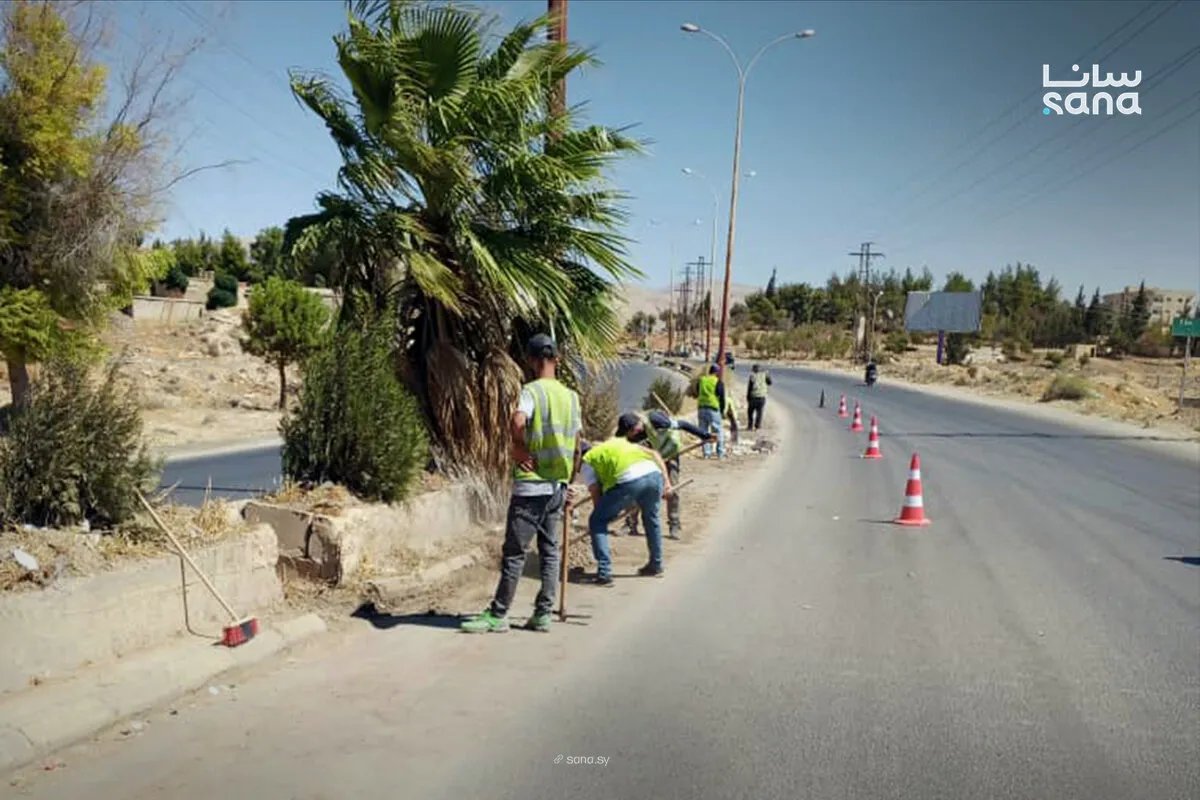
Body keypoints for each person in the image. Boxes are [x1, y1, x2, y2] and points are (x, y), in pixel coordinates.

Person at [462, 334, 581, 634]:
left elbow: (517, 421)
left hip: (532, 485)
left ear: (530, 360)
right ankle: (543, 613)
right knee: (550, 550)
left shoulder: (531, 391)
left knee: (515, 551)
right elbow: (578, 445)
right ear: (557, 359)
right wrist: (570, 482)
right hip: (558, 486)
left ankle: (499, 614)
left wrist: (518, 448)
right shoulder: (571, 397)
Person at [580, 435, 674, 585]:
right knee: (651, 519)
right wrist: (667, 482)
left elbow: (595, 492)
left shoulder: (588, 461)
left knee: (597, 521)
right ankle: (656, 564)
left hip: (629, 481)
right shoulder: (618, 443)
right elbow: (654, 454)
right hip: (654, 475)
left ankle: (604, 572)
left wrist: (603, 515)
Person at [618, 410, 711, 539]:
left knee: (672, 489)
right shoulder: (632, 437)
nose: (630, 435)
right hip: (652, 456)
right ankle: (630, 524)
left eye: (630, 431)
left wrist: (705, 435)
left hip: (670, 453)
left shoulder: (656, 420)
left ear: (636, 425)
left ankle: (674, 524)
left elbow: (683, 424)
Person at [695, 365, 726, 459]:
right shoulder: (717, 382)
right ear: (717, 372)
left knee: (704, 432)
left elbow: (697, 391)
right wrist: (722, 410)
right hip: (713, 409)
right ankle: (720, 454)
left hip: (701, 408)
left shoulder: (701, 380)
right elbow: (722, 398)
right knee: (718, 431)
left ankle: (706, 454)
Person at [746, 364, 773, 431]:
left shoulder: (752, 376)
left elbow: (750, 388)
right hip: (762, 397)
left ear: (754, 370)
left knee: (750, 412)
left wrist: (748, 397)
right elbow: (770, 383)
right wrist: (768, 375)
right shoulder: (764, 375)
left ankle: (750, 426)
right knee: (759, 412)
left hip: (753, 397)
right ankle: (757, 426)